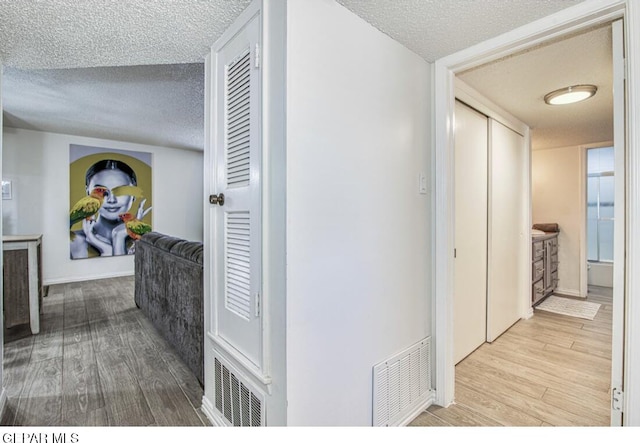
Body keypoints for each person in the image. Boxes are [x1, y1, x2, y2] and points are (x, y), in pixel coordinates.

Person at [70, 159, 151, 259]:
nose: (111, 200)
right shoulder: (72, 241)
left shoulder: (148, 242)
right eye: (101, 190)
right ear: (88, 192)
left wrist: (119, 237)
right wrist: (106, 250)